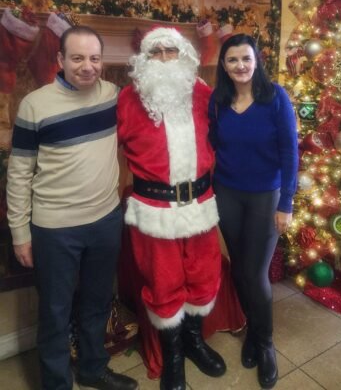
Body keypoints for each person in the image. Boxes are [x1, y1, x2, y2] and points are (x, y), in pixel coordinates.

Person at [6, 26, 138, 390]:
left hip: (105, 221)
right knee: (55, 312)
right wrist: (20, 234)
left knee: (97, 302)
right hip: (55, 230)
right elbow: (19, 173)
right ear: (60, 59)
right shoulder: (35, 105)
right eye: (77, 58)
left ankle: (93, 369)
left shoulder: (113, 96)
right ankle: (56, 384)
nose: (87, 66)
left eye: (94, 58)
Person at [117, 27, 226, 390]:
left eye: (171, 51)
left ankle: (194, 341)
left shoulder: (204, 95)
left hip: (200, 205)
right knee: (163, 283)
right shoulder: (128, 100)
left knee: (204, 274)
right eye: (156, 52)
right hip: (155, 210)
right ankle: (174, 356)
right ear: (144, 59)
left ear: (184, 55)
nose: (164, 58)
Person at [208, 33, 298, 390]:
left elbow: (290, 152)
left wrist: (286, 203)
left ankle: (265, 344)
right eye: (232, 59)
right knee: (240, 269)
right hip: (227, 193)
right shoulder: (218, 100)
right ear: (224, 65)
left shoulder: (275, 97)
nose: (240, 65)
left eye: (246, 58)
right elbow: (212, 143)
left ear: (256, 60)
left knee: (255, 273)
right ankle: (253, 332)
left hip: (265, 196)